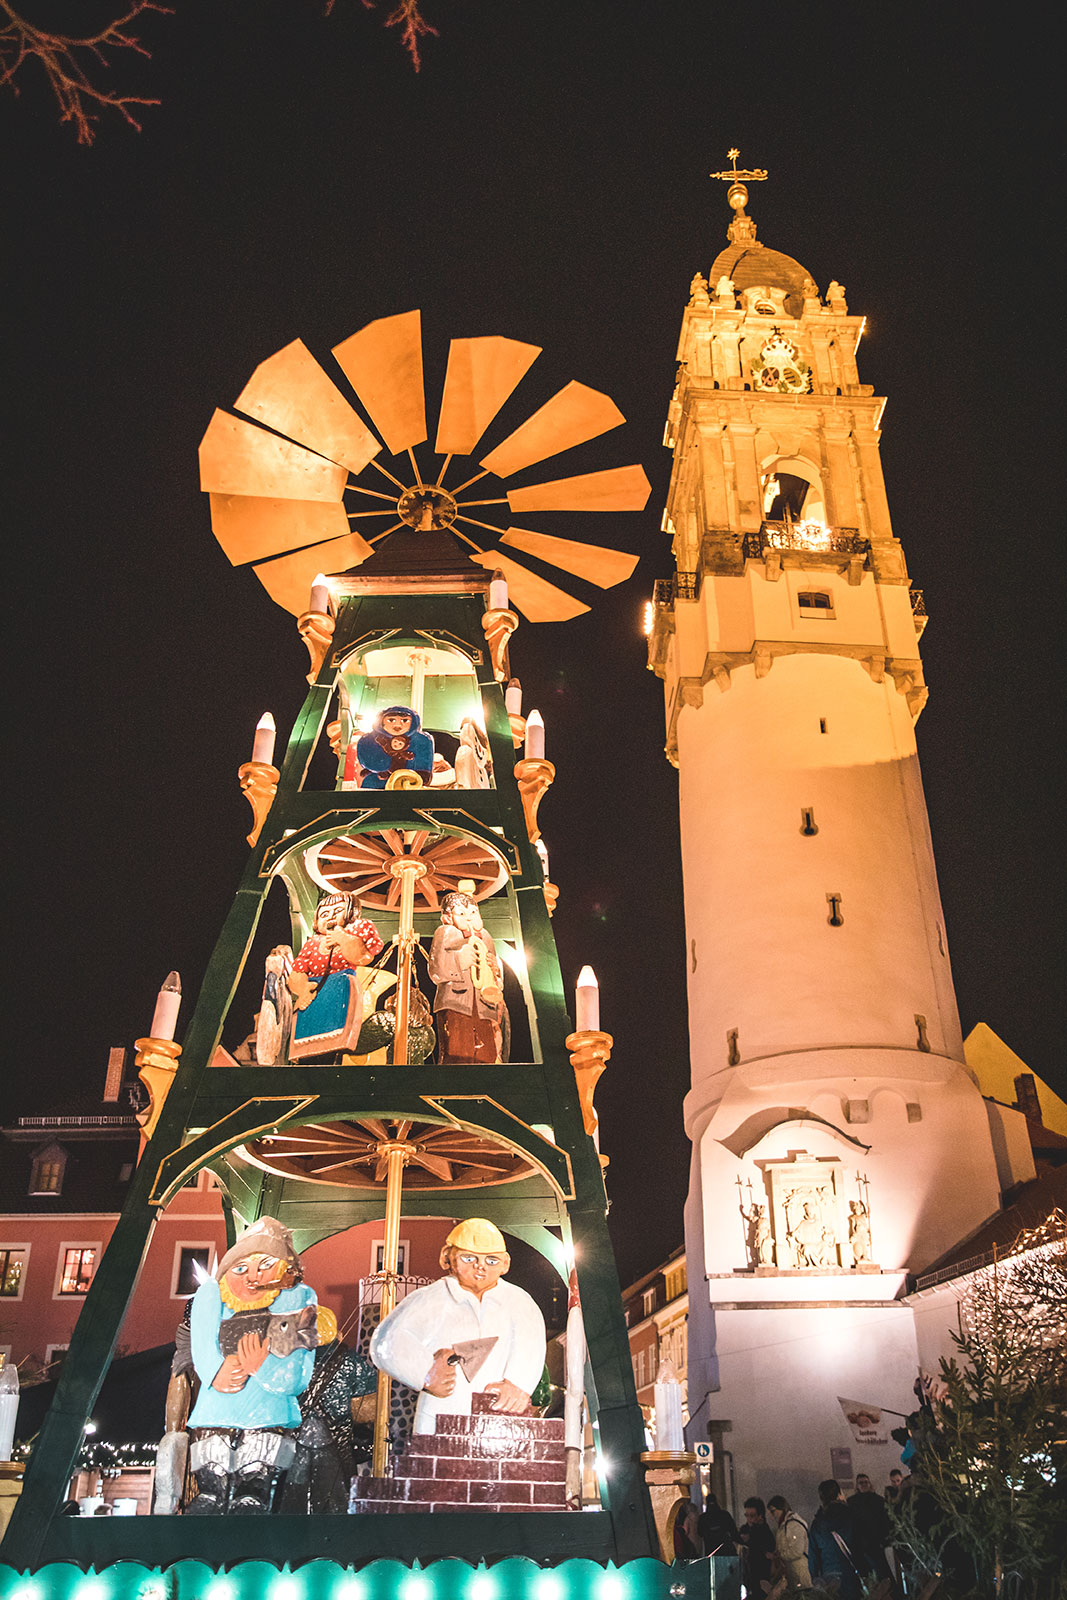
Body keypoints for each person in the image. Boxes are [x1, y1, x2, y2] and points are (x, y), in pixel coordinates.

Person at [185, 1217, 318, 1514]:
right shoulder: (214, 1297)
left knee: (253, 1493)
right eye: (241, 1268)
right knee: (210, 1493)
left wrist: (262, 1367)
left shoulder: (296, 1301)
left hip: (268, 1418)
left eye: (265, 1265)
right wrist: (215, 1372)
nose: (253, 1277)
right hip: (214, 1417)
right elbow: (202, 1342)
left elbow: (296, 1376)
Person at [369, 1218, 546, 1436]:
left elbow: (532, 1344)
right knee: (436, 1456)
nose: (480, 1266)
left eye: (491, 1260)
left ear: (505, 1263)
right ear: (447, 1257)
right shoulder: (431, 1299)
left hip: (499, 1421)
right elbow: (387, 1342)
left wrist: (518, 1385)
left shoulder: (519, 1302)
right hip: (440, 1414)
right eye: (468, 1258)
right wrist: (425, 1372)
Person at [288, 892, 384, 1060]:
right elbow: (298, 970)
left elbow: (362, 956)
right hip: (313, 992)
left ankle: (333, 1061)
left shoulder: (355, 931)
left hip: (340, 988)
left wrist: (343, 938)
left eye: (338, 910)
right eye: (324, 914)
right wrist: (303, 989)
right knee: (308, 1039)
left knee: (335, 1038)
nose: (331, 916)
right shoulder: (313, 943)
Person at [427, 891, 506, 1064]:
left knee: (487, 1050)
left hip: (484, 1003)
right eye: (462, 913)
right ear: (448, 917)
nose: (469, 917)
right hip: (455, 1001)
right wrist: (458, 960)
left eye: (473, 912)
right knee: (458, 1047)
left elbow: (497, 972)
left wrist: (495, 969)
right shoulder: (445, 932)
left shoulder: (486, 937)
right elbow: (436, 969)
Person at [352, 705, 434, 788]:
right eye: (391, 720)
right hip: (376, 782)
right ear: (382, 721)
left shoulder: (421, 740)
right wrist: (380, 768)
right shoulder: (370, 739)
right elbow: (367, 758)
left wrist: (421, 776)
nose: (397, 725)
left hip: (409, 783)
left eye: (405, 720)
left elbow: (423, 764)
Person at [809, 1478, 864, 1600]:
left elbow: (813, 1556)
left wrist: (815, 1578)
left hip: (828, 1577)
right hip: (851, 1574)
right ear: (839, 1494)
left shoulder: (817, 1523)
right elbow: (861, 1545)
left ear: (822, 1498)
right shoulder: (851, 1515)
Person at [848, 1471, 891, 1579]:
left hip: (876, 1543)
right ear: (857, 1486)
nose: (864, 1485)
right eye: (861, 1483)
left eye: (866, 1482)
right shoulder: (851, 1503)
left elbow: (885, 1522)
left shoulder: (879, 1501)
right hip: (861, 1545)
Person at [767, 1495, 811, 1590]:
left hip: (798, 1572)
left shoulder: (793, 1525)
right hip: (791, 1571)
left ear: (782, 1508)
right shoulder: (784, 1525)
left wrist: (779, 1555)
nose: (772, 1515)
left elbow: (797, 1551)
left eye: (773, 1511)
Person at [739, 1496, 777, 1594]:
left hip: (761, 1575)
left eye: (752, 1516)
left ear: (760, 1516)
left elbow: (767, 1549)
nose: (749, 1519)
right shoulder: (745, 1529)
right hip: (747, 1576)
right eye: (747, 1515)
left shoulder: (765, 1532)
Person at [697, 1491, 739, 1558]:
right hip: (725, 1549)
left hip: (711, 1549)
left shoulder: (703, 1518)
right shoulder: (724, 1515)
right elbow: (733, 1531)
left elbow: (700, 1533)